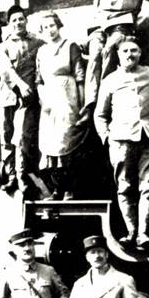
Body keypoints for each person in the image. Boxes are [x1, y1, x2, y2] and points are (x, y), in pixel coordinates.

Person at [94, 37, 149, 246]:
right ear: (118, 55)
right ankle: (131, 231)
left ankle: (144, 233)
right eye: (125, 51)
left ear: (140, 53)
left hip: (148, 137)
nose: (130, 54)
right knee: (125, 187)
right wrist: (106, 137)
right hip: (120, 140)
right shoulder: (110, 80)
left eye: (134, 50)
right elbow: (100, 114)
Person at [36, 11, 88, 199]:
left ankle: (70, 189)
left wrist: (81, 105)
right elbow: (38, 80)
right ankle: (57, 188)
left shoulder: (70, 46)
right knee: (50, 144)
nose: (50, 30)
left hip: (68, 97)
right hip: (49, 101)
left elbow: (80, 77)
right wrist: (43, 99)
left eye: (52, 25)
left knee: (66, 141)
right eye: (45, 27)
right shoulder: (42, 51)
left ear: (58, 26)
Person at [0, 6, 44, 195]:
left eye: (21, 19)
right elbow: (6, 70)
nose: (18, 23)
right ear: (9, 24)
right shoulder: (4, 46)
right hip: (7, 96)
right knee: (6, 137)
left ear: (26, 21)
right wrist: (20, 85)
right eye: (14, 20)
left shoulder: (38, 42)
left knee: (22, 138)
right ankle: (11, 177)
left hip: (27, 99)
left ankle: (22, 176)